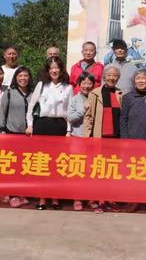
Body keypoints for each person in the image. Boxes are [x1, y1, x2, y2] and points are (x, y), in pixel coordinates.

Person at [26, 56, 73, 210]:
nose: (54, 70)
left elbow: (70, 112)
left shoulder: (68, 87)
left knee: (57, 164)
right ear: (48, 70)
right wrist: (30, 125)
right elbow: (31, 107)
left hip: (59, 126)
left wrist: (68, 131)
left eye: (57, 67)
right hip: (42, 125)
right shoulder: (41, 85)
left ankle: (55, 198)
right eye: (51, 68)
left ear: (61, 70)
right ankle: (41, 199)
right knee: (43, 163)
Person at [83, 64, 123, 214]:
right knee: (100, 171)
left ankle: (111, 201)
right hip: (100, 138)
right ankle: (100, 201)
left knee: (113, 171)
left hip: (116, 139)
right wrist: (88, 137)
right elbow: (88, 117)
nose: (112, 78)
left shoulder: (121, 94)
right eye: (109, 75)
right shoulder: (95, 94)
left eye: (115, 75)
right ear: (104, 77)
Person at [120, 69, 146, 214]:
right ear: (134, 81)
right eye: (138, 78)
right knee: (134, 172)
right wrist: (125, 139)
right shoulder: (128, 97)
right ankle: (134, 201)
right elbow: (123, 119)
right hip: (133, 139)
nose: (141, 81)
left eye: (143, 78)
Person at [0, 67, 33, 209]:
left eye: (26, 76)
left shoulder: (33, 93)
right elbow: (2, 112)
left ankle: (21, 193)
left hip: (28, 135)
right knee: (13, 166)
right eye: (20, 76)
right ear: (16, 77)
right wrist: (2, 129)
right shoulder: (9, 93)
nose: (23, 78)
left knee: (23, 166)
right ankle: (12, 195)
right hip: (12, 133)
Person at [67, 71, 95, 212]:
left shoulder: (95, 97)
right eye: (83, 83)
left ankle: (90, 198)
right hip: (77, 138)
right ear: (79, 84)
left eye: (89, 83)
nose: (86, 86)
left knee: (91, 170)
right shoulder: (74, 99)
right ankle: (77, 199)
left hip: (92, 139)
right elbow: (70, 118)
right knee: (77, 170)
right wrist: (83, 110)